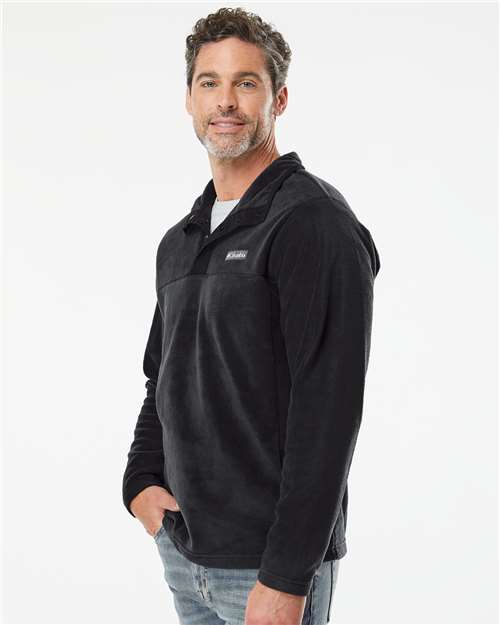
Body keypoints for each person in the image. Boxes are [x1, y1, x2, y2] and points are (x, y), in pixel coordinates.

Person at [122, 7, 381, 625]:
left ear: (278, 98)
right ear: (189, 99)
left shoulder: (312, 223)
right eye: (209, 82)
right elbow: (163, 376)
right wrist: (140, 482)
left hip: (268, 570)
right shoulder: (181, 240)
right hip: (185, 552)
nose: (225, 101)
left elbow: (329, 410)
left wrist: (287, 575)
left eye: (246, 82)